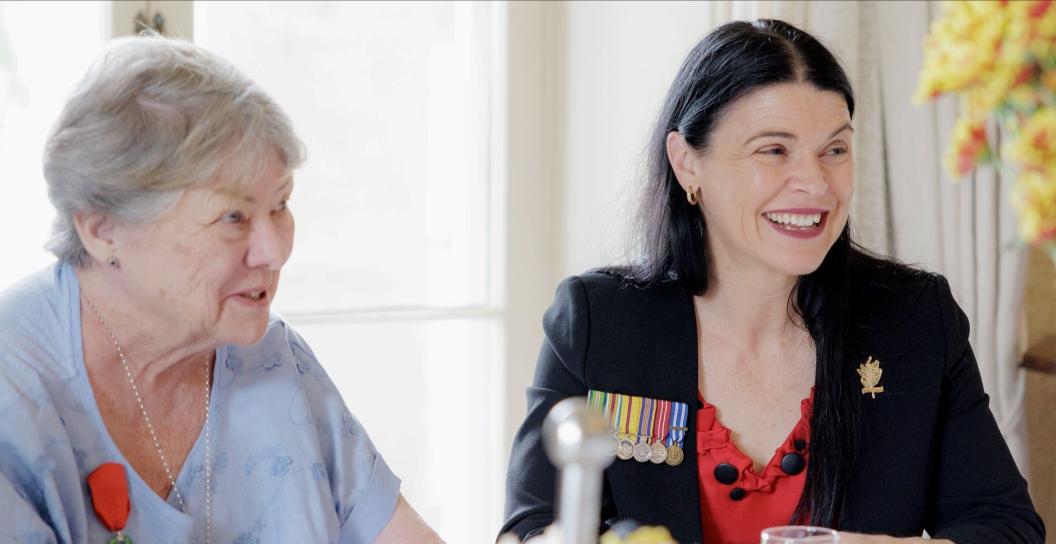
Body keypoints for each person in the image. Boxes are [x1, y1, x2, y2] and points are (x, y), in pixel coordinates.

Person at [500, 19, 1045, 544]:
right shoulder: (600, 321)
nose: (814, 183)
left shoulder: (914, 318)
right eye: (774, 150)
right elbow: (529, 528)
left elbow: (1006, 526)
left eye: (835, 150)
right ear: (687, 163)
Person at [0, 35, 442, 543]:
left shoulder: (276, 364)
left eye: (280, 205)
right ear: (104, 231)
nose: (274, 251)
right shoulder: (15, 398)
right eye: (234, 217)